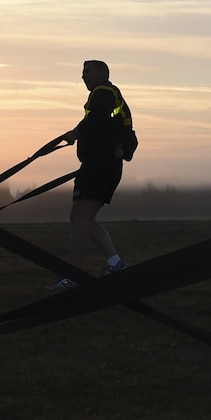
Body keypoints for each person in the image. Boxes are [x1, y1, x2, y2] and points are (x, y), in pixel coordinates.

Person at [52, 60, 133, 288]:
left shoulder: (104, 92)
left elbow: (96, 119)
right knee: (85, 218)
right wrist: (125, 151)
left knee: (78, 217)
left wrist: (76, 132)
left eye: (88, 72)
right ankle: (116, 263)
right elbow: (126, 129)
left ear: (102, 73)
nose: (83, 77)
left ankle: (73, 276)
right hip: (100, 165)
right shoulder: (109, 96)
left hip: (100, 167)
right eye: (82, 73)